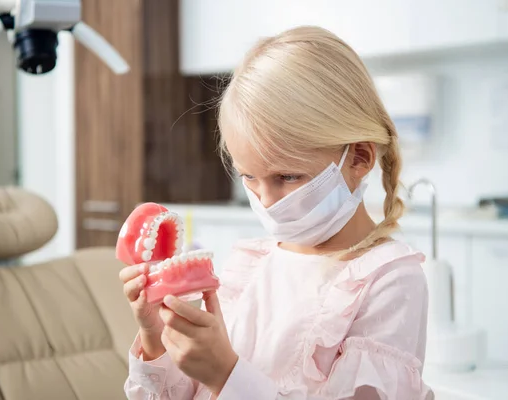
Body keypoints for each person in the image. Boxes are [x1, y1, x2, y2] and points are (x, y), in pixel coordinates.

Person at [119, 25, 433, 400]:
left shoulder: (388, 280)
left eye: (287, 176)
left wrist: (226, 374)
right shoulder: (252, 265)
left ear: (360, 157)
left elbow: (222, 380)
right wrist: (158, 339)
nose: (266, 201)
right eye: (249, 177)